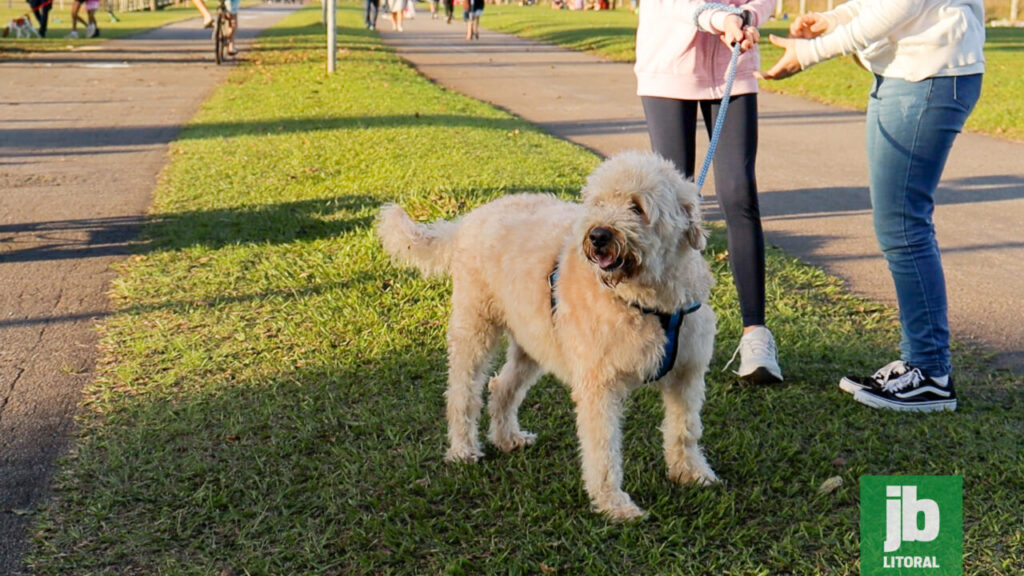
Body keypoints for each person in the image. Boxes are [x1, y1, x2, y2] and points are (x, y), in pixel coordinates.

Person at [758, 0, 985, 412]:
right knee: (897, 223)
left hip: (930, 74)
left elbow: (899, 6)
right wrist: (832, 19)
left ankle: (931, 374)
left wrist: (810, 53)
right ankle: (918, 360)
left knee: (903, 224)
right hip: (905, 73)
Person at [634, 0, 783, 384]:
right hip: (669, 62)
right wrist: (718, 17)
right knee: (670, 205)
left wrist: (750, 16)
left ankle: (756, 335)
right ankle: (668, 328)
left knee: (739, 193)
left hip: (733, 60)